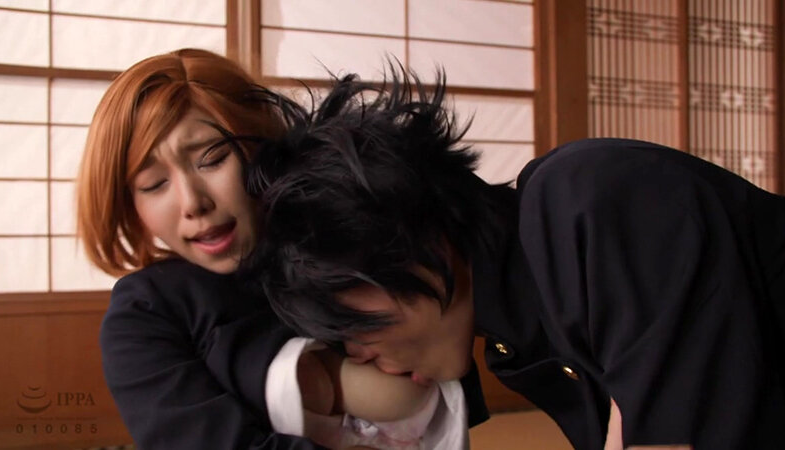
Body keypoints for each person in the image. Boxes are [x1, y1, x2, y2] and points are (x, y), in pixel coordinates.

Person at [242, 69, 785, 449]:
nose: (362, 356)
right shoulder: (513, 338)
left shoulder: (588, 199)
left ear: (405, 241)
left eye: (351, 328)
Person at [76, 49, 483, 449]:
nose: (192, 202)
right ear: (129, 205)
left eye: (213, 159)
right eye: (153, 184)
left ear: (261, 145)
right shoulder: (147, 312)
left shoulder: (337, 236)